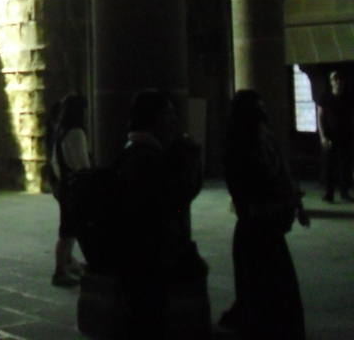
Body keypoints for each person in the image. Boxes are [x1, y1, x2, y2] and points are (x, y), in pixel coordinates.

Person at [115, 90, 203, 340]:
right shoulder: (147, 158)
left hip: (137, 255)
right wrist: (190, 169)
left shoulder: (131, 152)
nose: (173, 121)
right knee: (149, 321)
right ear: (153, 119)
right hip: (148, 257)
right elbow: (173, 206)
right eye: (168, 115)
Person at [222, 89, 308, 340]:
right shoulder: (239, 149)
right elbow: (250, 196)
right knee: (262, 301)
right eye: (256, 110)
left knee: (280, 299)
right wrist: (285, 201)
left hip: (270, 231)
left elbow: (283, 174)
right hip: (255, 233)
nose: (263, 114)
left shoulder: (266, 141)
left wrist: (295, 204)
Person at [50, 93, 90, 286]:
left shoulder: (61, 131)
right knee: (68, 230)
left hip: (65, 184)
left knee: (69, 228)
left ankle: (67, 262)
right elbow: (82, 162)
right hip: (75, 187)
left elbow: (55, 162)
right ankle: (60, 269)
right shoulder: (76, 132)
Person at [317, 69, 353, 202]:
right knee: (328, 166)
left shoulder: (349, 97)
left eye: (339, 79)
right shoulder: (325, 98)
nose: (337, 82)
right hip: (330, 136)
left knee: (345, 165)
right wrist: (323, 136)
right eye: (334, 79)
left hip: (346, 135)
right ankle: (329, 193)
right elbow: (320, 117)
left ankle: (344, 192)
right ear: (331, 82)